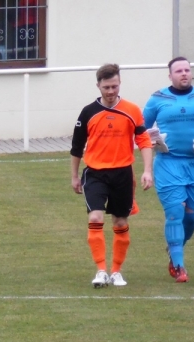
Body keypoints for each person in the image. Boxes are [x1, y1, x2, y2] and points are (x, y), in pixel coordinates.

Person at [143, 57, 194, 283]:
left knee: (191, 218)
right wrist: (153, 139)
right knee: (175, 212)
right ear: (170, 75)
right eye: (178, 71)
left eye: (187, 70)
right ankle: (179, 266)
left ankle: (174, 248)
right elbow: (140, 128)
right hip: (168, 163)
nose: (184, 74)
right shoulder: (158, 98)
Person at [70, 64, 153, 288]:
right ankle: (101, 271)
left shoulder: (132, 110)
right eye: (106, 87)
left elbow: (143, 140)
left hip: (123, 174)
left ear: (120, 84)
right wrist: (74, 176)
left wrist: (147, 170)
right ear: (98, 86)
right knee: (95, 218)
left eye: (114, 86)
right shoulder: (88, 112)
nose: (110, 91)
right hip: (95, 174)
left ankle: (116, 272)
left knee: (120, 221)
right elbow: (76, 147)